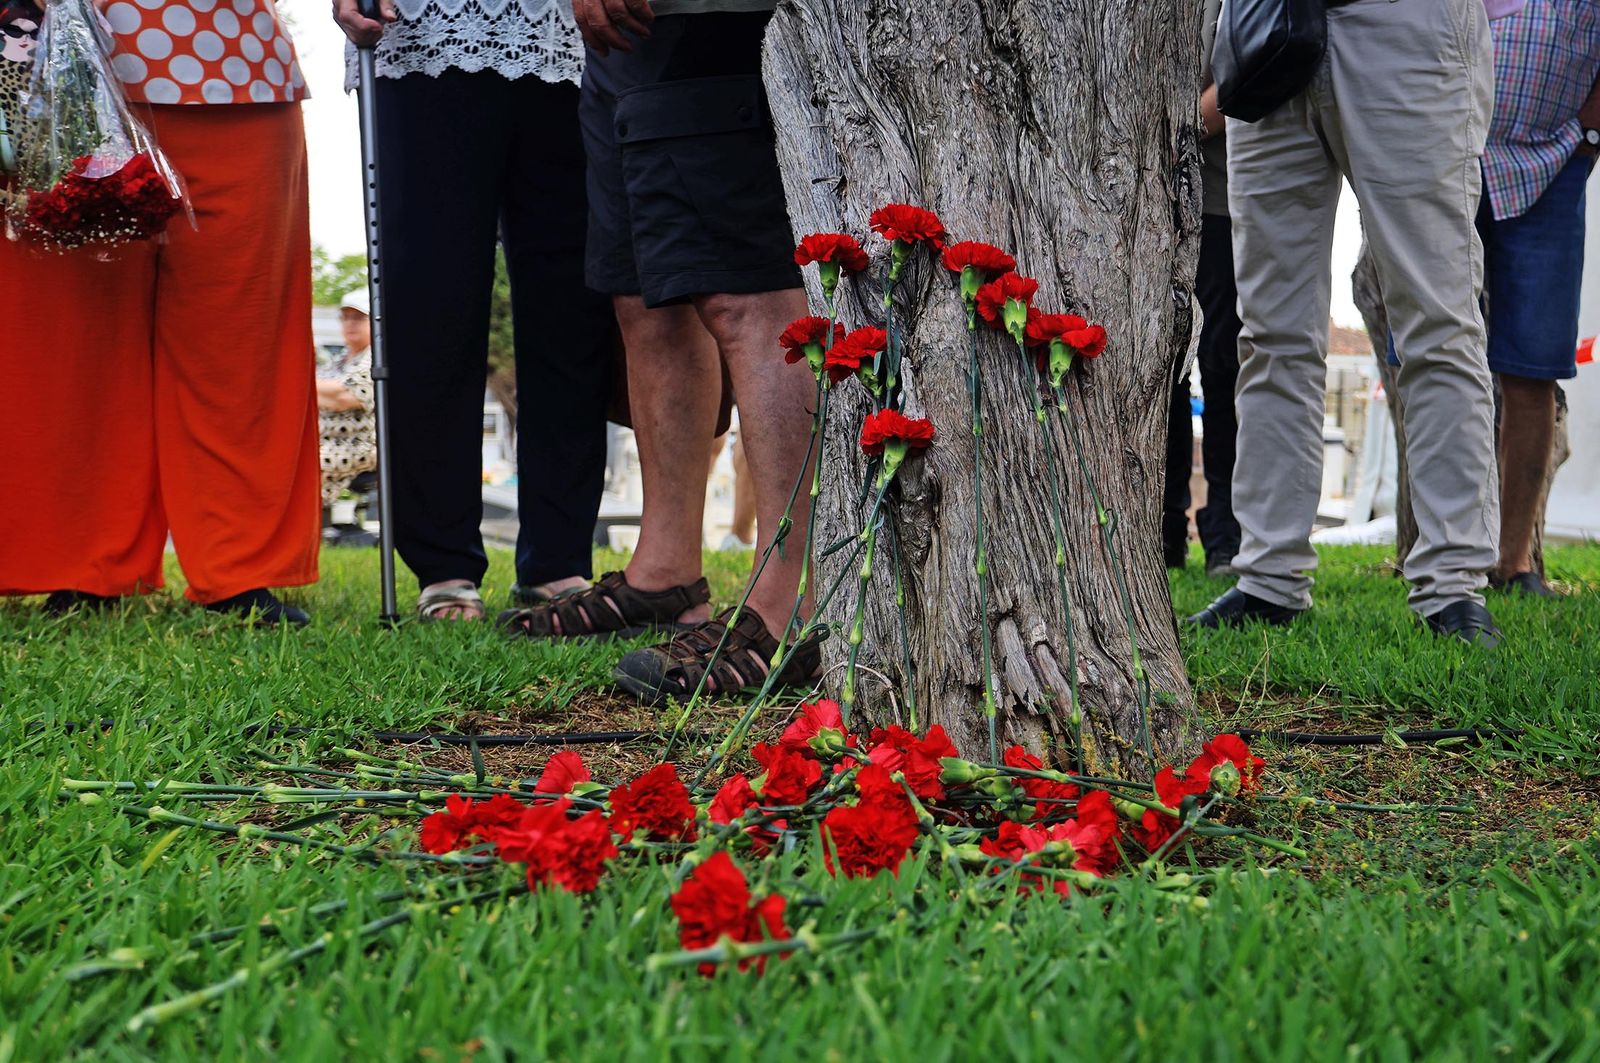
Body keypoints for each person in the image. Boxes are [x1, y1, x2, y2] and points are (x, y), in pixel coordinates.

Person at [496, 0, 822, 705]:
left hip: (705, 17)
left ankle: (792, 598)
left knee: (745, 293)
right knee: (646, 298)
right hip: (621, 40)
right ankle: (665, 573)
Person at [1190, 0, 1504, 646]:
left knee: (1437, 317)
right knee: (1269, 333)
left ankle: (1453, 584)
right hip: (1264, 23)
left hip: (1402, 28)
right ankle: (1269, 575)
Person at [0, 0, 321, 625]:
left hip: (236, 63)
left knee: (238, 336)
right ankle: (81, 560)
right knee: (76, 341)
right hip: (52, 66)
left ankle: (240, 565)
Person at [333, 0, 616, 622]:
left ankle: (558, 556)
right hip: (424, 31)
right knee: (430, 303)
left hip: (564, 36)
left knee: (572, 302)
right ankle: (444, 565)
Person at [1478, 0, 1600, 598]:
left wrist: (1589, 137)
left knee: (1531, 373)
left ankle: (1512, 562)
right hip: (1447, 164)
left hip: (1552, 166)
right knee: (1428, 361)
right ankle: (1444, 556)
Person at [1164, 0, 1242, 578]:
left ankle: (1224, 534)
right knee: (1163, 367)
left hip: (1219, 198)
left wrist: (1176, 123)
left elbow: (1247, 70)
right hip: (1150, 201)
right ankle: (1163, 533)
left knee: (1220, 364)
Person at [318, 289, 379, 545]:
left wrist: (298, 386)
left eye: (358, 317)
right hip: (324, 441)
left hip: (360, 447)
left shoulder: (378, 357)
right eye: (346, 317)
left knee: (295, 469)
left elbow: (345, 396)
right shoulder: (336, 361)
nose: (350, 324)